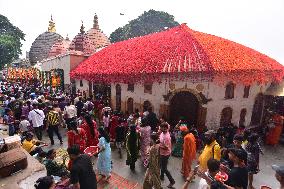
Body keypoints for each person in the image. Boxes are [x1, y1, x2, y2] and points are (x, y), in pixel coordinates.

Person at [159, 122, 175, 188]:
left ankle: (172, 181)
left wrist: (158, 146)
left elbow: (166, 147)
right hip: (162, 153)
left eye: (161, 128)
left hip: (165, 154)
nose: (160, 128)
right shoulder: (163, 132)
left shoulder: (167, 137)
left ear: (165, 128)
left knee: (164, 168)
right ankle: (162, 176)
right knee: (162, 165)